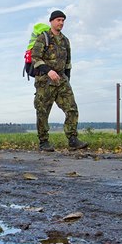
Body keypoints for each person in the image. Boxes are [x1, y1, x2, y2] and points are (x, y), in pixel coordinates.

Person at [31, 10, 88, 152]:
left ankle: (73, 139)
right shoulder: (43, 38)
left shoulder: (65, 40)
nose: (61, 23)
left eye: (63, 20)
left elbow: (68, 62)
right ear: (51, 21)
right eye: (58, 20)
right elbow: (35, 58)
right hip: (45, 81)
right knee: (43, 111)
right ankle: (44, 141)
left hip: (61, 81)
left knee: (72, 108)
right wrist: (48, 71)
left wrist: (67, 78)